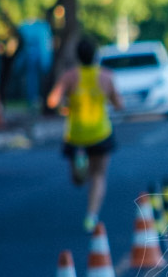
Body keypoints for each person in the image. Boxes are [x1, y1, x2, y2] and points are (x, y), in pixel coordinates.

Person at [46, 36, 124, 233]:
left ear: (78, 56)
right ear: (95, 55)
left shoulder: (70, 76)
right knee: (98, 175)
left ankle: (81, 166)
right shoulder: (106, 76)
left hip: (76, 135)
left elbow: (52, 101)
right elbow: (119, 104)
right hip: (100, 133)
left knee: (79, 180)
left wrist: (66, 105)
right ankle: (91, 216)